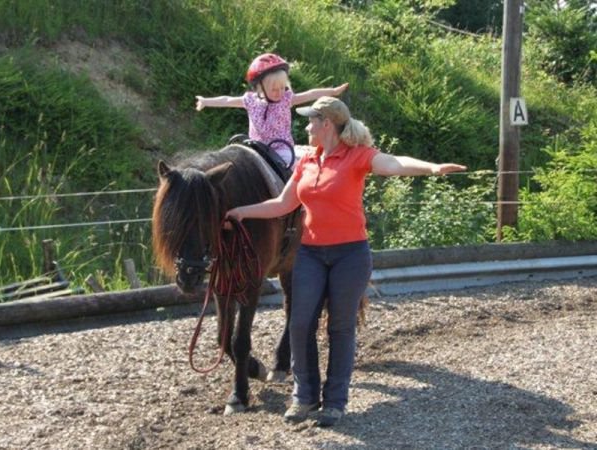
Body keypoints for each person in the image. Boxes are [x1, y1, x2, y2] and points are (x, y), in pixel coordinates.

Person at [225, 96, 466, 427]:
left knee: (340, 327)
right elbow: (282, 204)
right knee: (300, 324)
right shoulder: (307, 161)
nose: (306, 127)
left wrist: (432, 168)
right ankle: (305, 396)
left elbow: (395, 164)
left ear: (327, 124)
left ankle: (335, 401)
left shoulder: (357, 156)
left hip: (350, 255)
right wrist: (241, 212)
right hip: (310, 254)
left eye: (311, 121)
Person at [195, 53, 348, 167]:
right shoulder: (250, 101)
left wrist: (332, 91)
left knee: (297, 169)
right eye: (274, 89)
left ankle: (299, 200)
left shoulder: (286, 99)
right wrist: (206, 102)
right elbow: (227, 100)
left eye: (282, 87)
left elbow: (310, 94)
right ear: (260, 87)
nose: (279, 92)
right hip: (256, 148)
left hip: (281, 149)